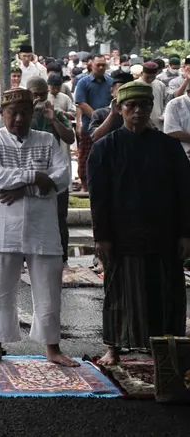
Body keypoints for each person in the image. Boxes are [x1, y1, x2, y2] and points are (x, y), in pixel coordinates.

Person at [88, 81, 190, 366]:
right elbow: (98, 198)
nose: (137, 112)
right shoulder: (105, 147)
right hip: (122, 235)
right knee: (120, 292)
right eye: (130, 106)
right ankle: (114, 348)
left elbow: (184, 192)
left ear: (150, 109)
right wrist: (102, 237)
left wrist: (185, 233)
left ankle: (165, 350)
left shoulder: (169, 147)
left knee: (166, 292)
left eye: (143, 106)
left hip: (164, 234)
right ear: (120, 109)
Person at [0, 88, 75, 366]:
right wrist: (35, 178)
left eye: (24, 113)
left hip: (42, 227)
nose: (18, 118)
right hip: (2, 229)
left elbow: (62, 177)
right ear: (1, 114)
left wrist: (21, 189)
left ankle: (52, 349)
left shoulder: (47, 140)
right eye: (12, 113)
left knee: (48, 290)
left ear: (33, 113)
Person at [26, 78, 76, 269]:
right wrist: (29, 111)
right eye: (35, 94)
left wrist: (53, 119)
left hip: (54, 171)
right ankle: (27, 258)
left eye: (42, 94)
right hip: (30, 172)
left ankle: (63, 259)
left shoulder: (54, 113)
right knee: (30, 216)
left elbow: (69, 137)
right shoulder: (22, 114)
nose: (38, 98)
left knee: (59, 217)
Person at [73, 55, 113, 191]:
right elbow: (81, 103)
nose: (101, 67)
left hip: (109, 126)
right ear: (91, 65)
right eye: (98, 65)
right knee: (85, 157)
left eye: (103, 65)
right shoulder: (83, 82)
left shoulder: (111, 82)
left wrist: (106, 120)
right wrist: (98, 117)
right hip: (89, 126)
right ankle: (85, 187)